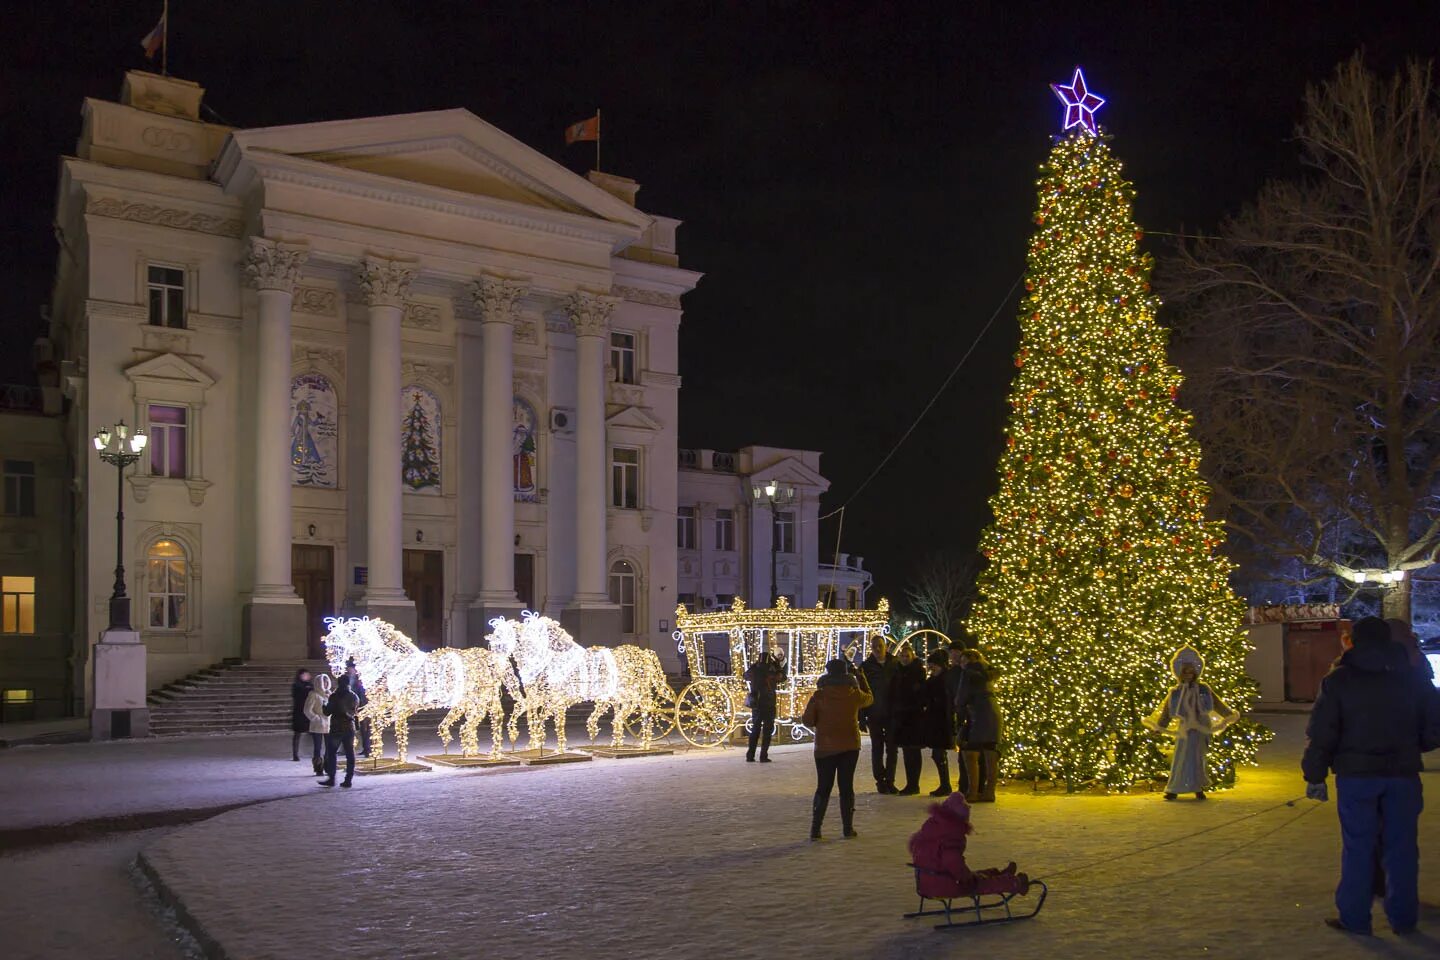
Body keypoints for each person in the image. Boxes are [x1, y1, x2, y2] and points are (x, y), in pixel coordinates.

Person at [1302, 616, 1440, 936]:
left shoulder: (1339, 681)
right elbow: (1434, 725)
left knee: (1359, 847)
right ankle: (1404, 919)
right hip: (1402, 774)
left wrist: (1315, 774)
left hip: (1356, 775)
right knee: (1402, 847)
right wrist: (1414, 746)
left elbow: (1323, 731)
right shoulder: (1412, 679)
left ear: (1356, 642)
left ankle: (1355, 917)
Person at [1144, 647, 1236, 801]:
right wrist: (1160, 727)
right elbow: (1167, 712)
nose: (1188, 675)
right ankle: (1175, 788)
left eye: (1191, 672)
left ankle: (1197, 787)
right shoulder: (1176, 692)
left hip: (1201, 728)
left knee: (1198, 757)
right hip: (1185, 729)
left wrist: (1229, 715)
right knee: (1181, 757)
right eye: (1185, 672)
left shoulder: (1203, 689)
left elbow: (1217, 704)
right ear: (1180, 673)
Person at [800, 657, 873, 840]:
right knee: (846, 787)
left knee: (823, 787)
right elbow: (870, 699)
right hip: (850, 746)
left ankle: (816, 829)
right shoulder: (855, 693)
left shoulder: (819, 695)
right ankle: (847, 828)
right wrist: (862, 679)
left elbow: (807, 720)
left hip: (824, 747)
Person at [955, 648, 1003, 803]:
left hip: (978, 715)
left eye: (963, 661)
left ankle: (973, 792)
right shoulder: (988, 669)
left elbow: (961, 698)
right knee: (990, 752)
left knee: (969, 752)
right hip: (993, 713)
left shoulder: (968, 672)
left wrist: (958, 707)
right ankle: (989, 792)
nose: (961, 664)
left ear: (969, 660)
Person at [886, 643, 927, 795]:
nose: (904, 658)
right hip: (901, 717)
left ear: (912, 657)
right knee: (907, 751)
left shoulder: (917, 672)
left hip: (913, 717)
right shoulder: (897, 672)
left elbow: (920, 694)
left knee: (913, 751)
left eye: (907, 656)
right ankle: (911, 783)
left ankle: (913, 783)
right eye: (902, 656)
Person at [860, 634, 898, 793]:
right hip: (874, 713)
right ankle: (880, 780)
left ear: (886, 647)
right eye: (874, 646)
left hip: (892, 712)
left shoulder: (894, 664)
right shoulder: (866, 667)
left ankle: (890, 779)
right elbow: (861, 693)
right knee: (877, 748)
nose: (877, 649)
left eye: (880, 646)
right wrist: (861, 717)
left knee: (892, 748)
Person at [744, 642, 788, 762]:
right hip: (769, 704)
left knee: (755, 730)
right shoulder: (772, 671)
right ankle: (763, 756)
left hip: (756, 704)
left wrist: (754, 665)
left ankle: (750, 755)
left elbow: (745, 675)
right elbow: (783, 677)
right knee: (767, 731)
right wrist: (778, 665)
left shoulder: (755, 670)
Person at [923, 650, 956, 796]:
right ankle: (945, 783)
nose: (931, 669)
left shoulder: (944, 680)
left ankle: (945, 784)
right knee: (937, 753)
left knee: (938, 753)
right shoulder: (935, 680)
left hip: (942, 721)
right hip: (935, 721)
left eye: (934, 666)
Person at [321, 672, 361, 788]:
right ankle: (348, 779)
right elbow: (355, 711)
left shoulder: (335, 696)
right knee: (350, 754)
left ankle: (332, 778)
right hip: (349, 727)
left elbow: (327, 712)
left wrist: (324, 704)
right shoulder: (354, 696)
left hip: (337, 728)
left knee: (332, 753)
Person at [945, 645, 969, 796]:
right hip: (959, 714)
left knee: (968, 751)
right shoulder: (952, 673)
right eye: (951, 652)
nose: (953, 655)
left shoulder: (965, 672)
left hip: (967, 714)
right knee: (963, 752)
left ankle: (967, 785)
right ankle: (964, 784)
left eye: (956, 652)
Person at [302, 674, 332, 776]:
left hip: (328, 724)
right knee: (317, 747)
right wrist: (316, 718)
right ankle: (318, 767)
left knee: (329, 747)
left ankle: (328, 766)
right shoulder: (313, 694)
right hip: (318, 725)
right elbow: (307, 709)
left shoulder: (329, 694)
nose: (326, 684)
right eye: (324, 682)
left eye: (327, 681)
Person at [346, 657, 373, 757]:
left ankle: (368, 749)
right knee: (361, 729)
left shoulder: (360, 680)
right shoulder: (348, 679)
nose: (349, 670)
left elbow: (363, 694)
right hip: (354, 707)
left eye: (351, 668)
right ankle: (365, 748)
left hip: (363, 706)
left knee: (366, 729)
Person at [290, 668, 313, 762]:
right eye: (305, 675)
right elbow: (297, 696)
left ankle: (312, 752)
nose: (307, 676)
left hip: (308, 712)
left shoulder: (310, 685)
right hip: (299, 712)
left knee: (312, 733)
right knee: (297, 734)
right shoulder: (296, 685)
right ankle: (295, 754)